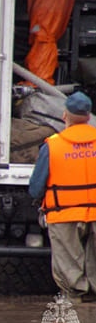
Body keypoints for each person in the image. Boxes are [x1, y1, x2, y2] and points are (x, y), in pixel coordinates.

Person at [29, 91, 96, 303]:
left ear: (64, 115)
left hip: (63, 215)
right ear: (88, 116)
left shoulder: (52, 145)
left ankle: (77, 319)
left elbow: (36, 187)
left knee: (70, 274)